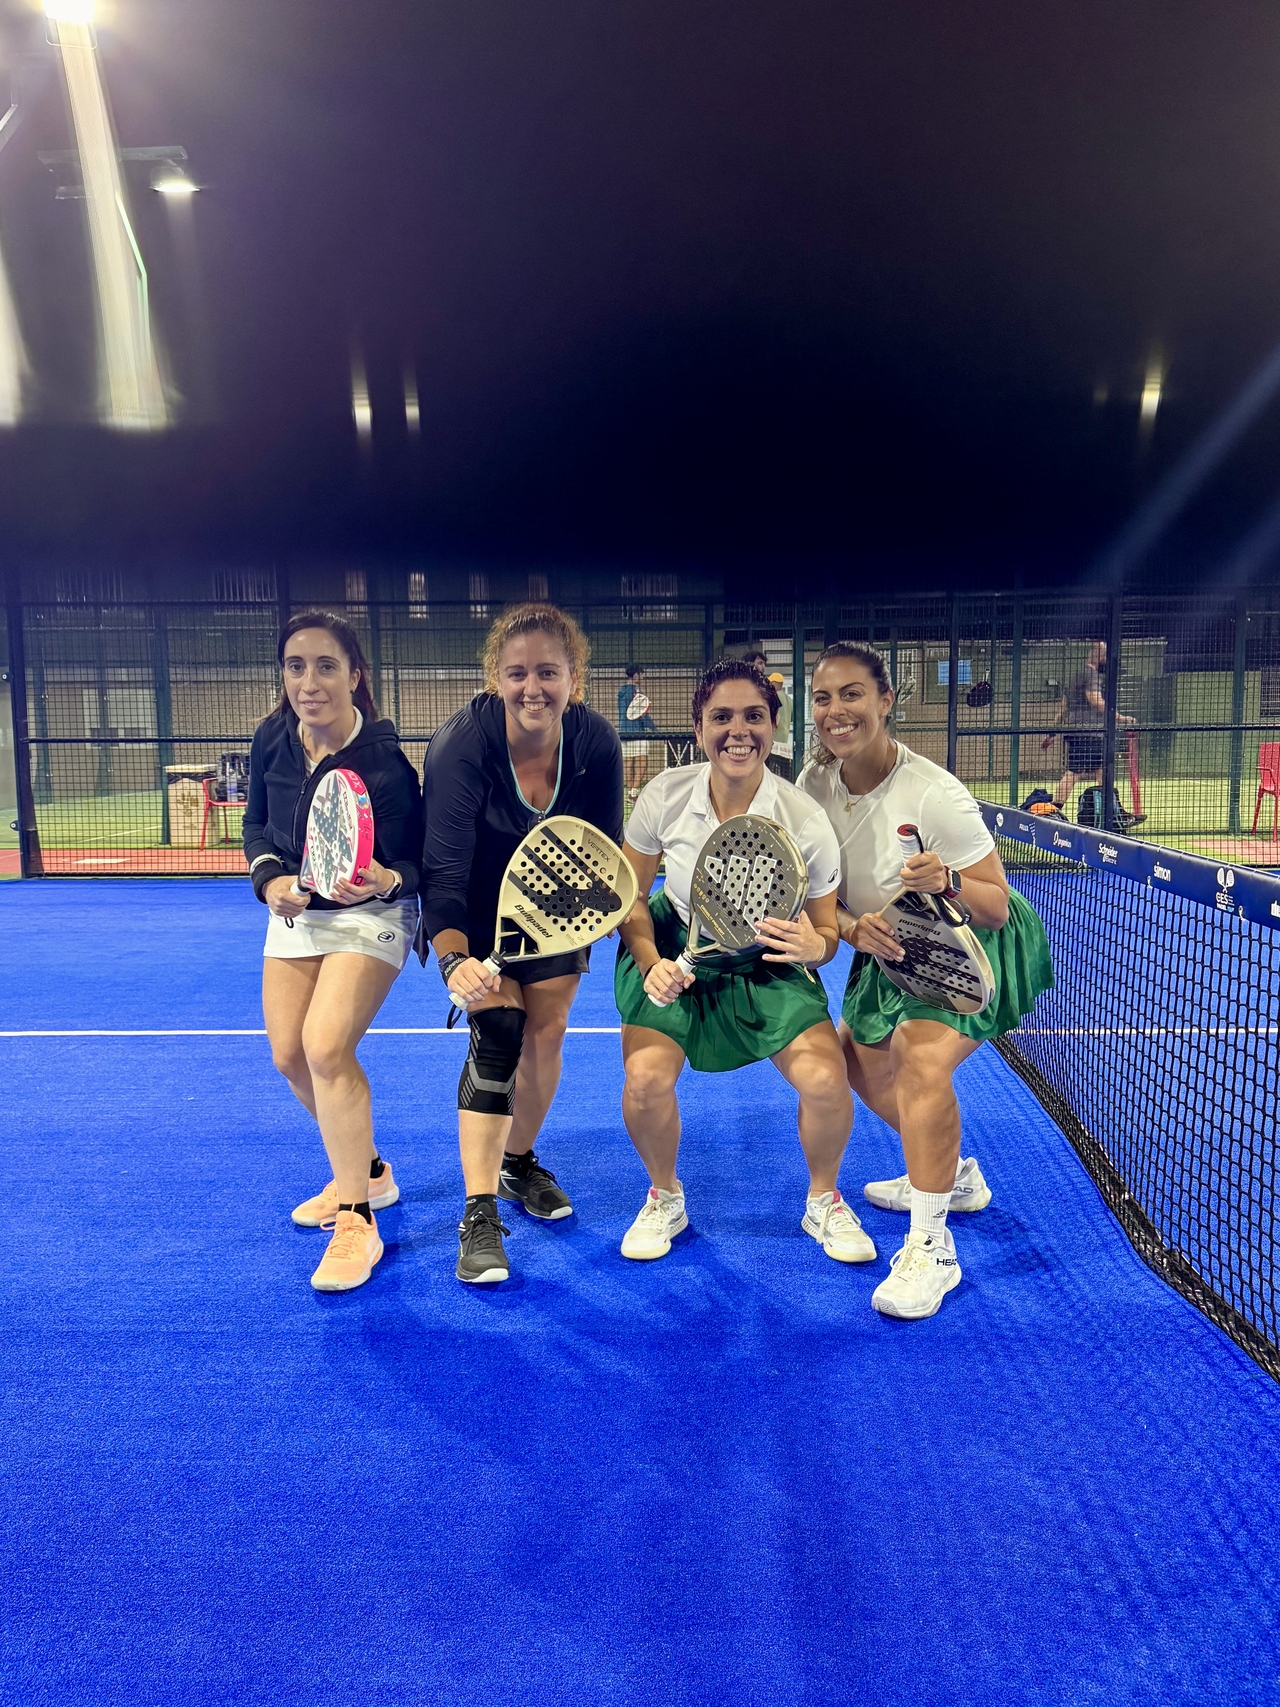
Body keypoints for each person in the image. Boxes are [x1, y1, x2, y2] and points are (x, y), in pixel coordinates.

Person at [800, 641, 1053, 1320]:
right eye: (823, 697)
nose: (836, 710)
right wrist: (850, 927)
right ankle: (950, 1174)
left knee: (919, 1056)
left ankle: (932, 1246)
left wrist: (947, 880)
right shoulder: (813, 785)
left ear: (886, 701)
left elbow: (995, 903)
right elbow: (821, 898)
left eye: (852, 693)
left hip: (971, 941)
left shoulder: (934, 792)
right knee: (852, 1062)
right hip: (891, 943)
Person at [614, 658, 875, 1265]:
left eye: (754, 716)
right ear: (699, 727)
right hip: (677, 946)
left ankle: (825, 1198)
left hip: (768, 960)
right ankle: (664, 1196)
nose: (739, 731)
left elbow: (826, 930)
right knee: (645, 1080)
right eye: (722, 717)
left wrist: (816, 946)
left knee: (827, 1080)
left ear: (773, 726)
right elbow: (630, 898)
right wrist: (650, 962)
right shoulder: (664, 795)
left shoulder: (804, 818)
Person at [422, 603, 624, 1285]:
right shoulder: (461, 747)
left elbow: (599, 853)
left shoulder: (596, 743)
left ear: (574, 679)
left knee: (548, 1030)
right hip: (473, 907)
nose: (532, 687)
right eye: (517, 673)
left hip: (559, 903)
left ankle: (516, 1163)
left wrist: (584, 916)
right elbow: (443, 872)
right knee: (500, 1030)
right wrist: (455, 960)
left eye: (548, 672)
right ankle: (478, 1212)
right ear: (496, 679)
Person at [244, 611, 424, 1293]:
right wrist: (270, 881)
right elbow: (256, 826)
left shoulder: (386, 765)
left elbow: (417, 862)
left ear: (355, 676)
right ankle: (370, 1174)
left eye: (326, 666)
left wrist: (387, 879)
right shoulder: (272, 737)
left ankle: (357, 1221)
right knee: (289, 1055)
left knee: (324, 1047)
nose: (309, 682)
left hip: (371, 913)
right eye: (295, 666)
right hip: (297, 910)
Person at [1049, 641, 1142, 824]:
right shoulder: (1091, 675)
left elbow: (1064, 707)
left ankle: (1114, 811)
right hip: (1090, 733)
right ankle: (1054, 809)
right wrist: (1121, 718)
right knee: (1076, 772)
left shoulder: (1076, 677)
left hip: (1076, 732)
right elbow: (1096, 701)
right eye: (1105, 655)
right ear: (1099, 655)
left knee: (1100, 770)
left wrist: (1052, 732)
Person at [618, 663, 659, 803]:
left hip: (624, 732)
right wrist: (655, 731)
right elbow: (642, 715)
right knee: (642, 763)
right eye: (641, 675)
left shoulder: (620, 692)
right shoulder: (636, 693)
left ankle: (630, 793)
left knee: (628, 763)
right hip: (638, 733)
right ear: (636, 675)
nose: (642, 678)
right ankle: (634, 793)